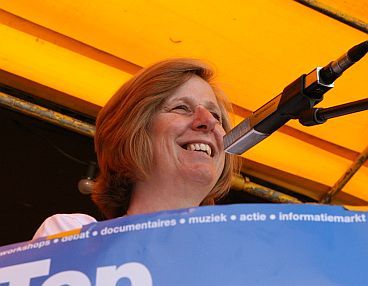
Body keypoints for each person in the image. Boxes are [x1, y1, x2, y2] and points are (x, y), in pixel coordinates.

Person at [33, 58, 239, 239]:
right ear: (133, 131)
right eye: (182, 108)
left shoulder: (241, 259)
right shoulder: (72, 237)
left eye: (216, 116)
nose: (208, 122)